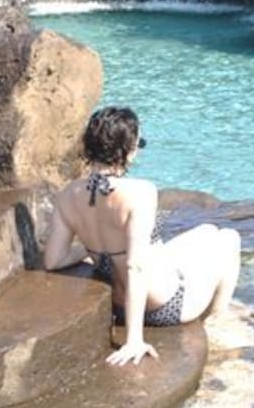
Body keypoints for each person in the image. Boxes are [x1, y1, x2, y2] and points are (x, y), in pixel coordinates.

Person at [43, 106, 242, 366]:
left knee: (206, 231)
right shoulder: (141, 192)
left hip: (117, 302)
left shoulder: (68, 195)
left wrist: (93, 252)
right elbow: (135, 266)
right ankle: (217, 320)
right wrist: (134, 339)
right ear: (130, 150)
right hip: (165, 306)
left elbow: (53, 260)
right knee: (228, 238)